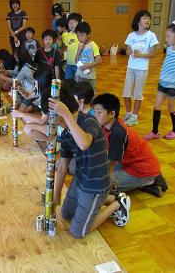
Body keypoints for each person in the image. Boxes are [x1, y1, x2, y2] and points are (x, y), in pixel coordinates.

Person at [41, 85, 131, 238]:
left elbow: (84, 143)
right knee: (66, 214)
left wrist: (66, 115)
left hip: (96, 185)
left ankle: (118, 204)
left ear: (60, 113)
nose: (48, 120)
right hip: (81, 180)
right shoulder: (66, 133)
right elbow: (63, 166)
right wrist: (56, 196)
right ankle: (108, 199)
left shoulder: (89, 120)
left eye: (49, 116)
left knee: (77, 232)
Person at [92, 93, 168, 197]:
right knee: (97, 174)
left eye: (99, 112)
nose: (95, 115)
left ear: (112, 114)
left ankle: (151, 181)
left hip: (143, 168)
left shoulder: (117, 132)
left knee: (100, 185)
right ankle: (146, 181)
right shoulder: (107, 124)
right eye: (94, 112)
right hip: (128, 162)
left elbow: (111, 163)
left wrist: (105, 181)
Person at [122, 10, 159, 126]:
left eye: (149, 18)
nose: (148, 20)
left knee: (138, 93)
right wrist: (130, 52)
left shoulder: (151, 36)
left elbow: (153, 54)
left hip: (142, 69)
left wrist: (140, 55)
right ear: (138, 20)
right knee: (127, 92)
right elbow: (127, 50)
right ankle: (128, 113)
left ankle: (135, 116)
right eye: (145, 18)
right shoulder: (131, 35)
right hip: (130, 67)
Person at [74, 21, 101, 93]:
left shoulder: (93, 45)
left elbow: (99, 61)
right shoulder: (79, 45)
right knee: (78, 94)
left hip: (90, 77)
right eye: (78, 36)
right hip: (79, 75)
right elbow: (76, 61)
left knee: (91, 94)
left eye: (82, 35)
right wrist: (79, 50)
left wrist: (87, 65)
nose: (79, 38)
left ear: (89, 34)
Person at [63, 13, 82, 83]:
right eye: (70, 22)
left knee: (78, 81)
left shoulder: (81, 35)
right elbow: (66, 47)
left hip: (79, 64)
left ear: (79, 23)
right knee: (68, 82)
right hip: (69, 63)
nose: (72, 24)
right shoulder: (66, 35)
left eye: (74, 22)